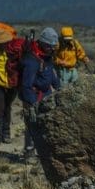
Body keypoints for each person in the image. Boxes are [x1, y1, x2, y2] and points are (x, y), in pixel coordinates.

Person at [19, 27, 60, 157]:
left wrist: (60, 88)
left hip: (46, 95)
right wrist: (31, 104)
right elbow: (26, 85)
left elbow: (51, 75)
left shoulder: (46, 56)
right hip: (34, 96)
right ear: (43, 43)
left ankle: (43, 152)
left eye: (54, 46)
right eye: (50, 46)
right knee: (32, 124)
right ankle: (30, 151)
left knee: (44, 124)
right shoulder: (31, 60)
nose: (52, 49)